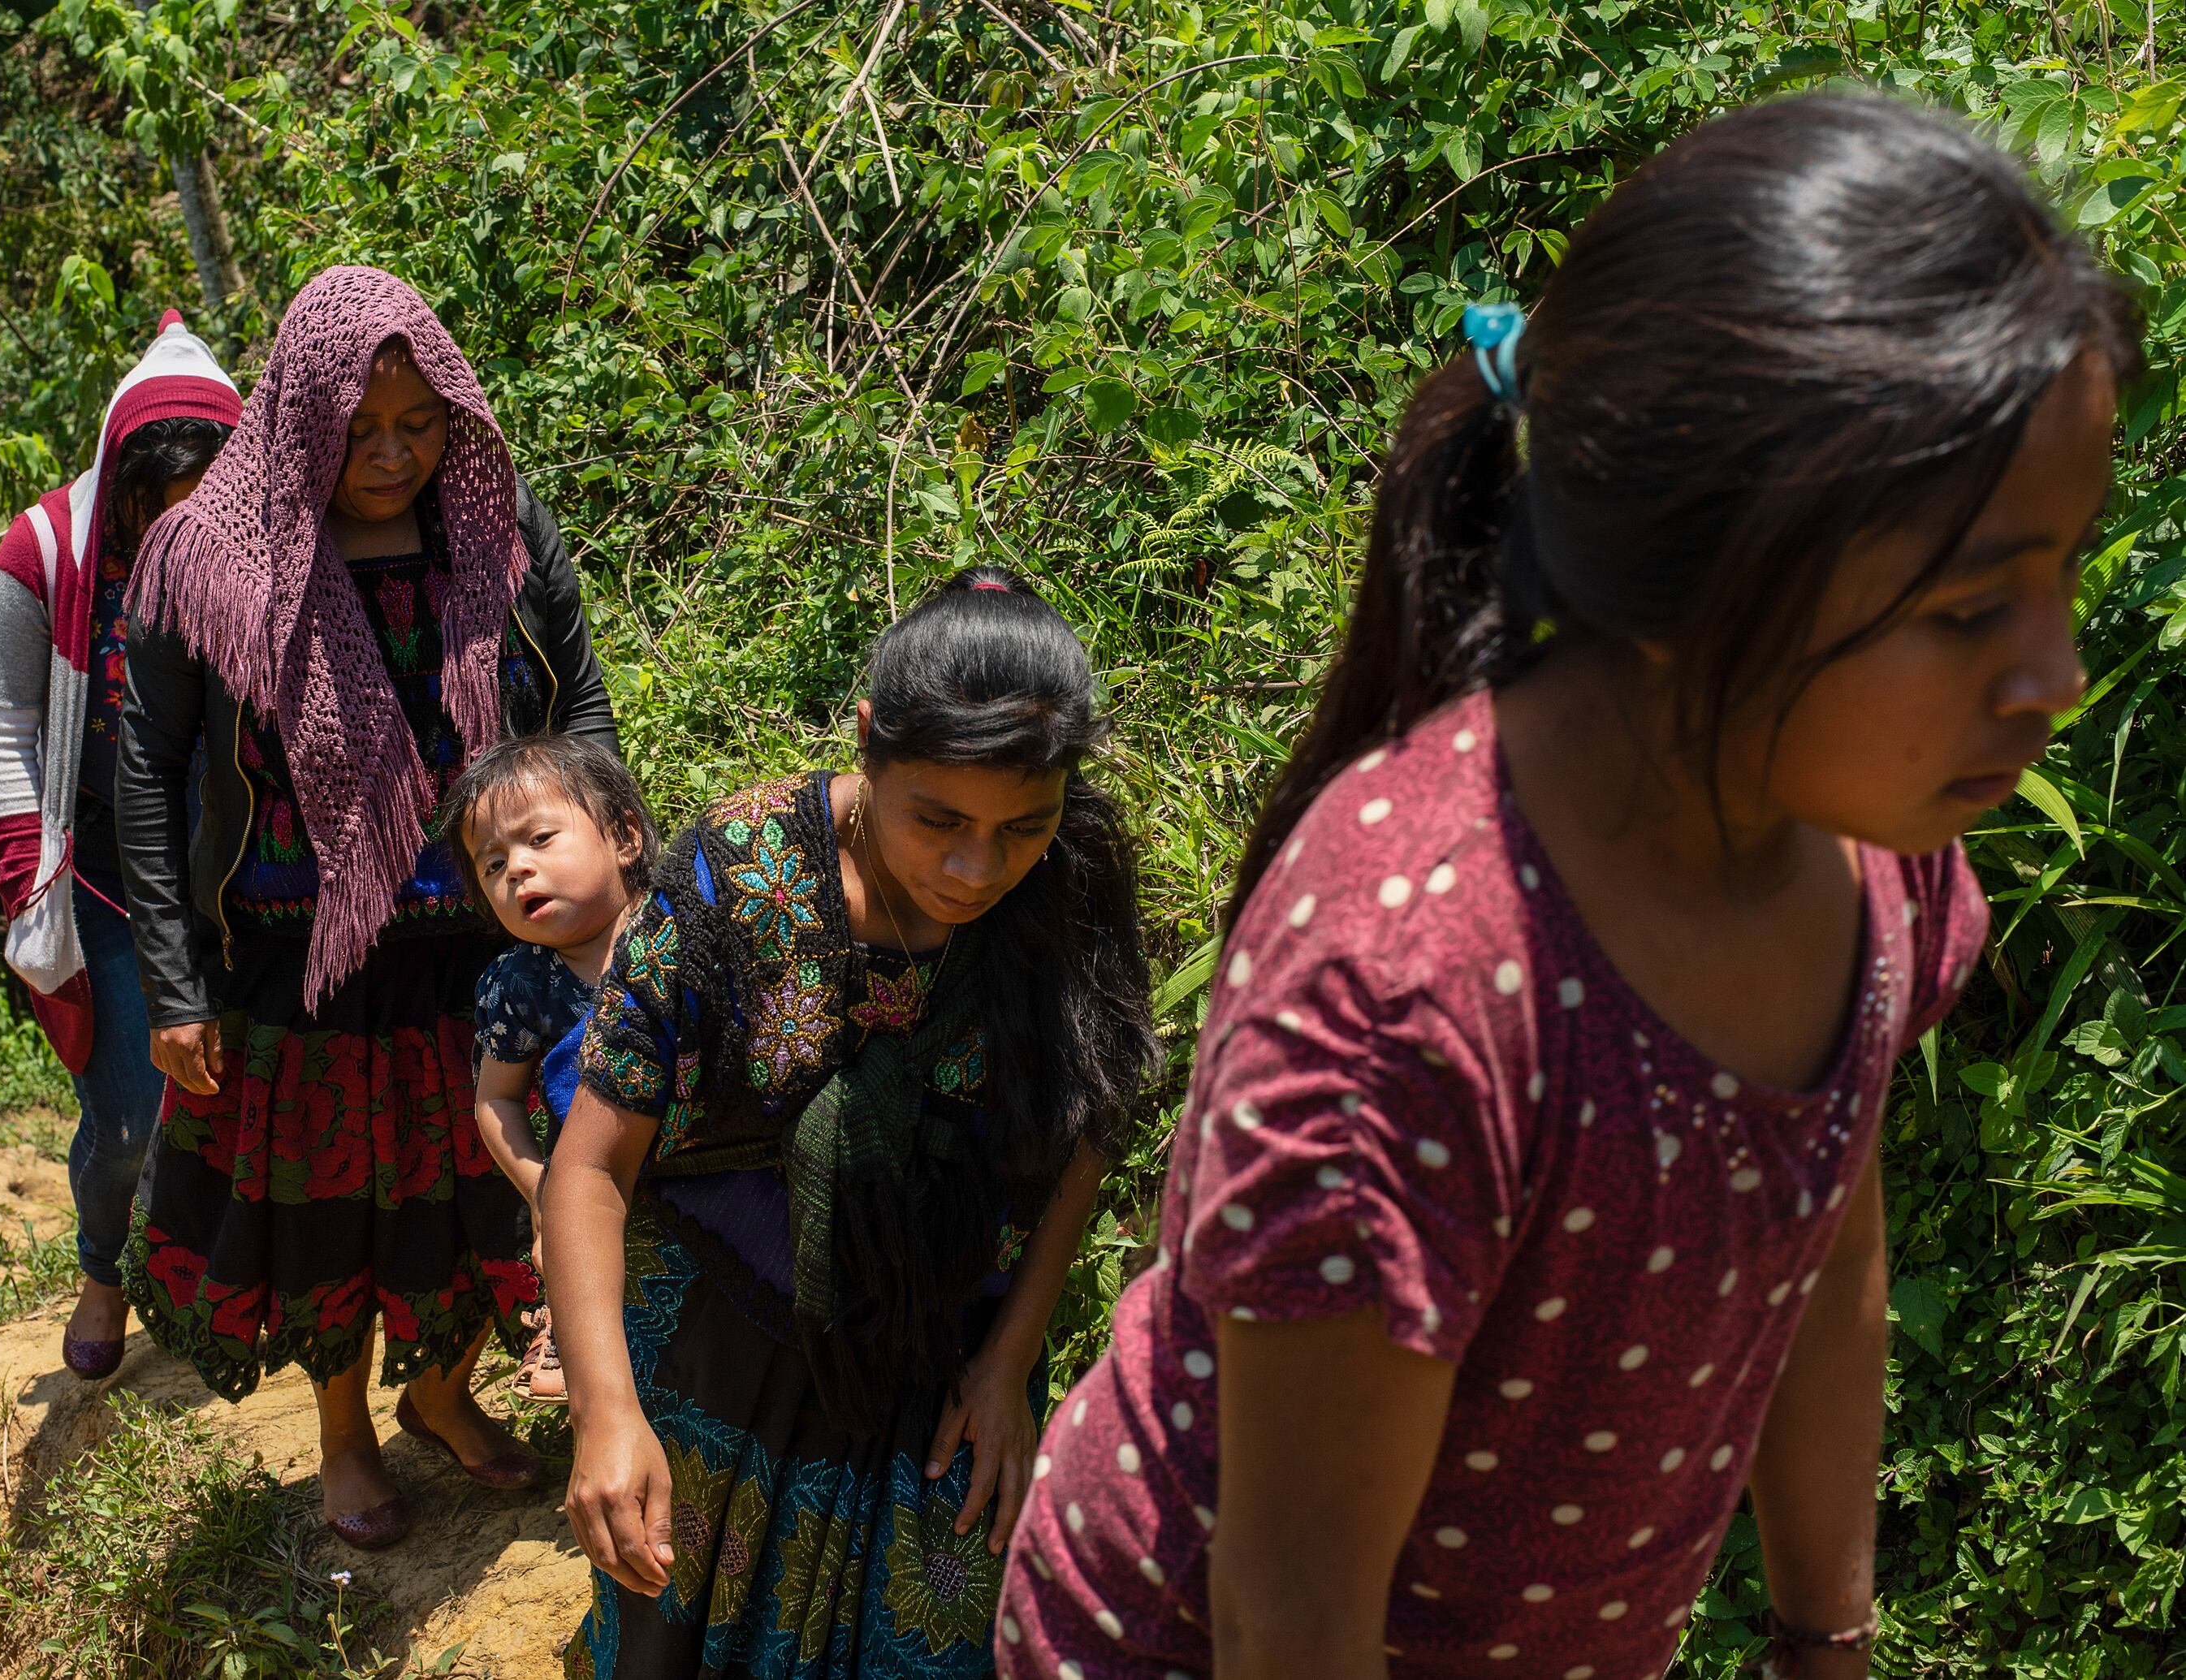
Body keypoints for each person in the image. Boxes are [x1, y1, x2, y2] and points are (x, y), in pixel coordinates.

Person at [998, 93, 2137, 1680]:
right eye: (1963, 611)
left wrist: (1824, 1634)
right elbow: (1288, 1614)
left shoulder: (1875, 863)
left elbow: (1827, 1248)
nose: (2053, 674)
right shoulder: (1409, 990)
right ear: (1690, 568)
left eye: (2061, 570)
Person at [544, 570, 1160, 1678]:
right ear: (868, 740)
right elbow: (588, 1166)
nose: (978, 868)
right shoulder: (734, 879)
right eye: (938, 821)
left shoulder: (1067, 889)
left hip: (947, 1366)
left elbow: (1088, 1129)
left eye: (1023, 824)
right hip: (723, 1352)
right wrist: (605, 1413)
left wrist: (1010, 1360)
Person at [114, 265, 620, 1549]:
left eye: (420, 423)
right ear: (299, 417)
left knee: (485, 1196)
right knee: (329, 1213)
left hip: (490, 943)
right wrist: (174, 985)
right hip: (301, 959)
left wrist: (613, 878)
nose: (393, 455)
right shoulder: (210, 555)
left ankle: (439, 1395)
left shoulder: (499, 525)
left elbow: (583, 711)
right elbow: (145, 764)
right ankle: (344, 1438)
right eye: (360, 428)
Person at [0, 311, 242, 1382]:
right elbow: (3, 724)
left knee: (229, 1088)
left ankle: (214, 1276)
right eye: (152, 507)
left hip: (223, 865)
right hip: (100, 877)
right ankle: (104, 1267)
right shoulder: (39, 551)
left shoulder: (257, 544)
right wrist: (24, 882)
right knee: (128, 1108)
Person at [439, 732, 664, 1403]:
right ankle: (573, 1335)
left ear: (624, 838)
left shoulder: (679, 927)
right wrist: (547, 1191)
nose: (517, 869)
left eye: (540, 839)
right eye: (492, 863)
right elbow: (496, 1100)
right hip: (603, 1179)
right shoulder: (519, 984)